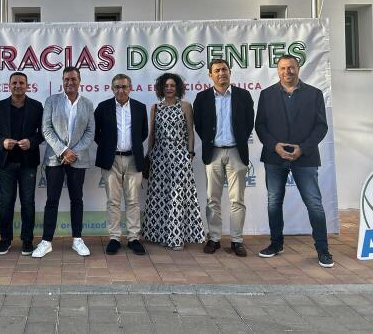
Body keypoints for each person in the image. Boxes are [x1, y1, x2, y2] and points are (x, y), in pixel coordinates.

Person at [255, 54, 333, 267]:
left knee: (314, 204)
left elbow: (321, 126)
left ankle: (323, 250)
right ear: (277, 70)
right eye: (282, 68)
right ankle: (275, 244)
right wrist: (275, 146)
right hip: (274, 156)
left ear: (298, 69)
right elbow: (260, 125)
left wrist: (303, 148)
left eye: (291, 68)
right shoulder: (267, 94)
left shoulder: (314, 94)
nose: (287, 72)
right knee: (274, 203)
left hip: (305, 157)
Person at [193, 59, 254, 257]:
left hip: (237, 152)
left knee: (237, 199)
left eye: (225, 70)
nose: (222, 73)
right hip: (214, 153)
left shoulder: (243, 96)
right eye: (217, 70)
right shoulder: (202, 98)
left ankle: (237, 241)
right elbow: (199, 125)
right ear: (210, 75)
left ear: (230, 72)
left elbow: (248, 123)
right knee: (213, 199)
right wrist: (212, 142)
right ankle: (214, 238)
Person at [32, 66, 95, 258]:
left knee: (77, 200)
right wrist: (63, 151)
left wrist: (74, 152)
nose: (70, 83)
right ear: (62, 81)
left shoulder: (87, 104)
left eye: (73, 79)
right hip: (55, 159)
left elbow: (90, 132)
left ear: (79, 81)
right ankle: (46, 241)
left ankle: (77, 239)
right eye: (66, 79)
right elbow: (46, 129)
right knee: (52, 200)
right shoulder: (52, 101)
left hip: (78, 159)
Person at [142, 73, 205, 250]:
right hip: (159, 157)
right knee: (160, 197)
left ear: (178, 88)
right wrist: (149, 156)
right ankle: (162, 235)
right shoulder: (155, 107)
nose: (169, 88)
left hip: (180, 157)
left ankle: (176, 238)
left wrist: (190, 154)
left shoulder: (185, 106)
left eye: (172, 85)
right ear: (161, 88)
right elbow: (152, 133)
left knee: (177, 197)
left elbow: (190, 131)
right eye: (166, 86)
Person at [0, 72, 44, 256]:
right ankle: (5, 239)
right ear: (9, 85)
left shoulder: (36, 106)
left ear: (27, 85)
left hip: (28, 163)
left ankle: (27, 241)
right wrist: (2, 141)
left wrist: (32, 141)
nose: (18, 85)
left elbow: (43, 132)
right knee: (6, 203)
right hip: (6, 162)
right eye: (14, 83)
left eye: (21, 83)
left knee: (28, 203)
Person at [94, 73, 148, 255]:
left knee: (133, 201)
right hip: (111, 160)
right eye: (117, 87)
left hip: (133, 159)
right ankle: (114, 238)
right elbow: (96, 133)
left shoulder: (140, 108)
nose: (121, 90)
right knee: (113, 201)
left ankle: (133, 238)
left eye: (124, 86)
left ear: (130, 87)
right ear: (112, 88)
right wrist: (109, 147)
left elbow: (143, 133)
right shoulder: (103, 107)